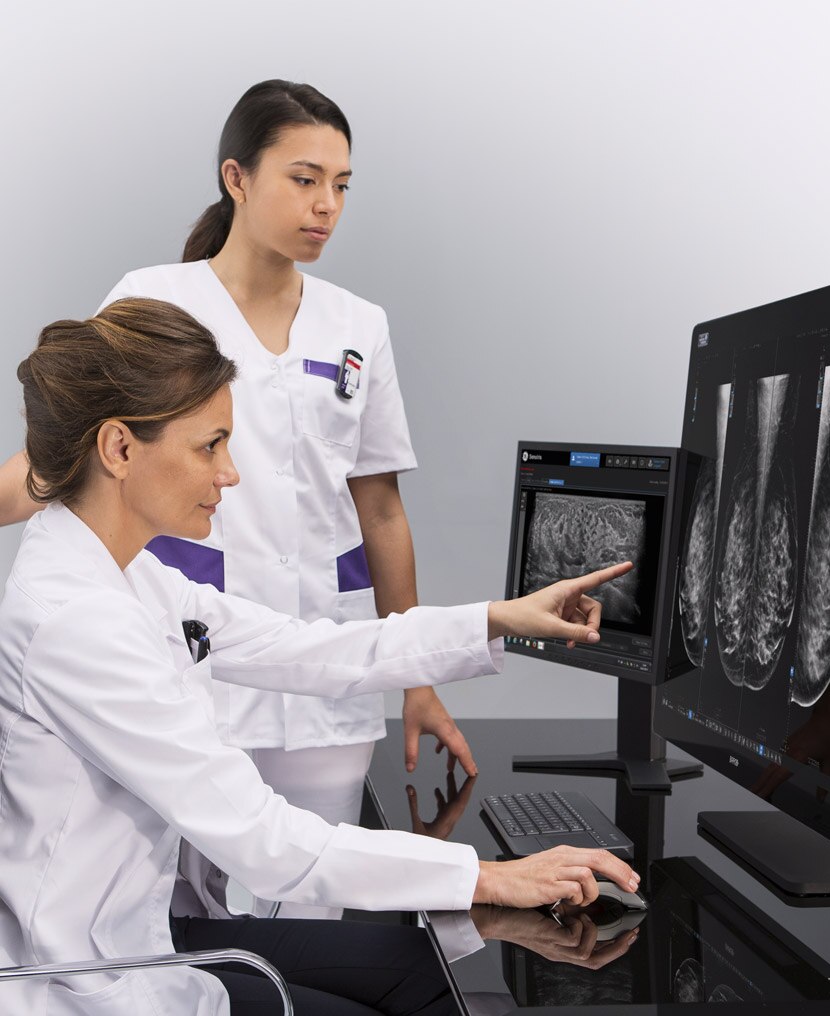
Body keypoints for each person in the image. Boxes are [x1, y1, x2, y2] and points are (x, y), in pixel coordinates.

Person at [0, 298, 640, 1016]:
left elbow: (304, 646)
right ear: (119, 449)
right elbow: (262, 841)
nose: (230, 473)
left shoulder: (127, 572)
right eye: (210, 446)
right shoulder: (77, 621)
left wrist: (499, 619)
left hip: (142, 932)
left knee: (418, 968)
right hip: (88, 976)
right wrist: (488, 877)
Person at [0, 80, 477, 919]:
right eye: (304, 179)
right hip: (191, 657)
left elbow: (381, 511)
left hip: (325, 669)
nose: (326, 206)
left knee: (316, 908)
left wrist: (419, 677)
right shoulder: (157, 300)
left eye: (341, 185)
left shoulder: (357, 325)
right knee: (164, 903)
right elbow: (77, 452)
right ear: (237, 178)